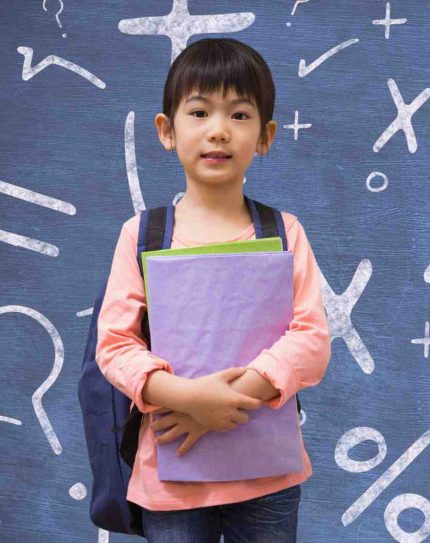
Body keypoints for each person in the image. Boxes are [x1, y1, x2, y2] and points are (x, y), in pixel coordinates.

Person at [95, 37, 332, 542]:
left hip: (269, 477)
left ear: (266, 136)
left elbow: (311, 341)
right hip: (170, 477)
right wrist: (185, 396)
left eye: (240, 116)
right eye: (199, 112)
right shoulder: (140, 235)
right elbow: (114, 347)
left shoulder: (284, 231)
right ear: (166, 130)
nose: (219, 131)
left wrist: (219, 403)